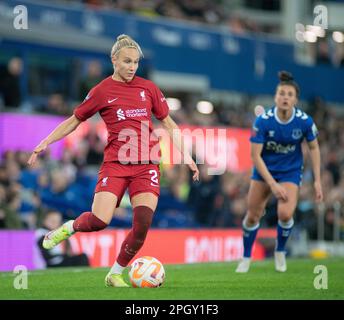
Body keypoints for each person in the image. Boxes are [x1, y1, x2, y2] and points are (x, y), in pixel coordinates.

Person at [28, 34, 199, 287]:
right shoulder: (101, 91)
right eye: (127, 61)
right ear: (114, 60)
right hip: (116, 165)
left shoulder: (148, 88)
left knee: (142, 226)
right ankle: (69, 227)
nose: (132, 67)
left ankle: (115, 273)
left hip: (147, 164)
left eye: (136, 63)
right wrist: (46, 141)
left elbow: (169, 123)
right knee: (99, 221)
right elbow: (75, 120)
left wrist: (187, 156)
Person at [235, 71, 323, 273]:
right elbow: (255, 156)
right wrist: (272, 185)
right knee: (252, 216)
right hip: (264, 172)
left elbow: (314, 148)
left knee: (285, 213)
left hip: (290, 172)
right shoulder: (263, 121)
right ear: (275, 97)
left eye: (289, 94)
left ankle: (280, 251)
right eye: (282, 93)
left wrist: (317, 180)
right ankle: (246, 257)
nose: (285, 97)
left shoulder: (305, 121)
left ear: (295, 99)